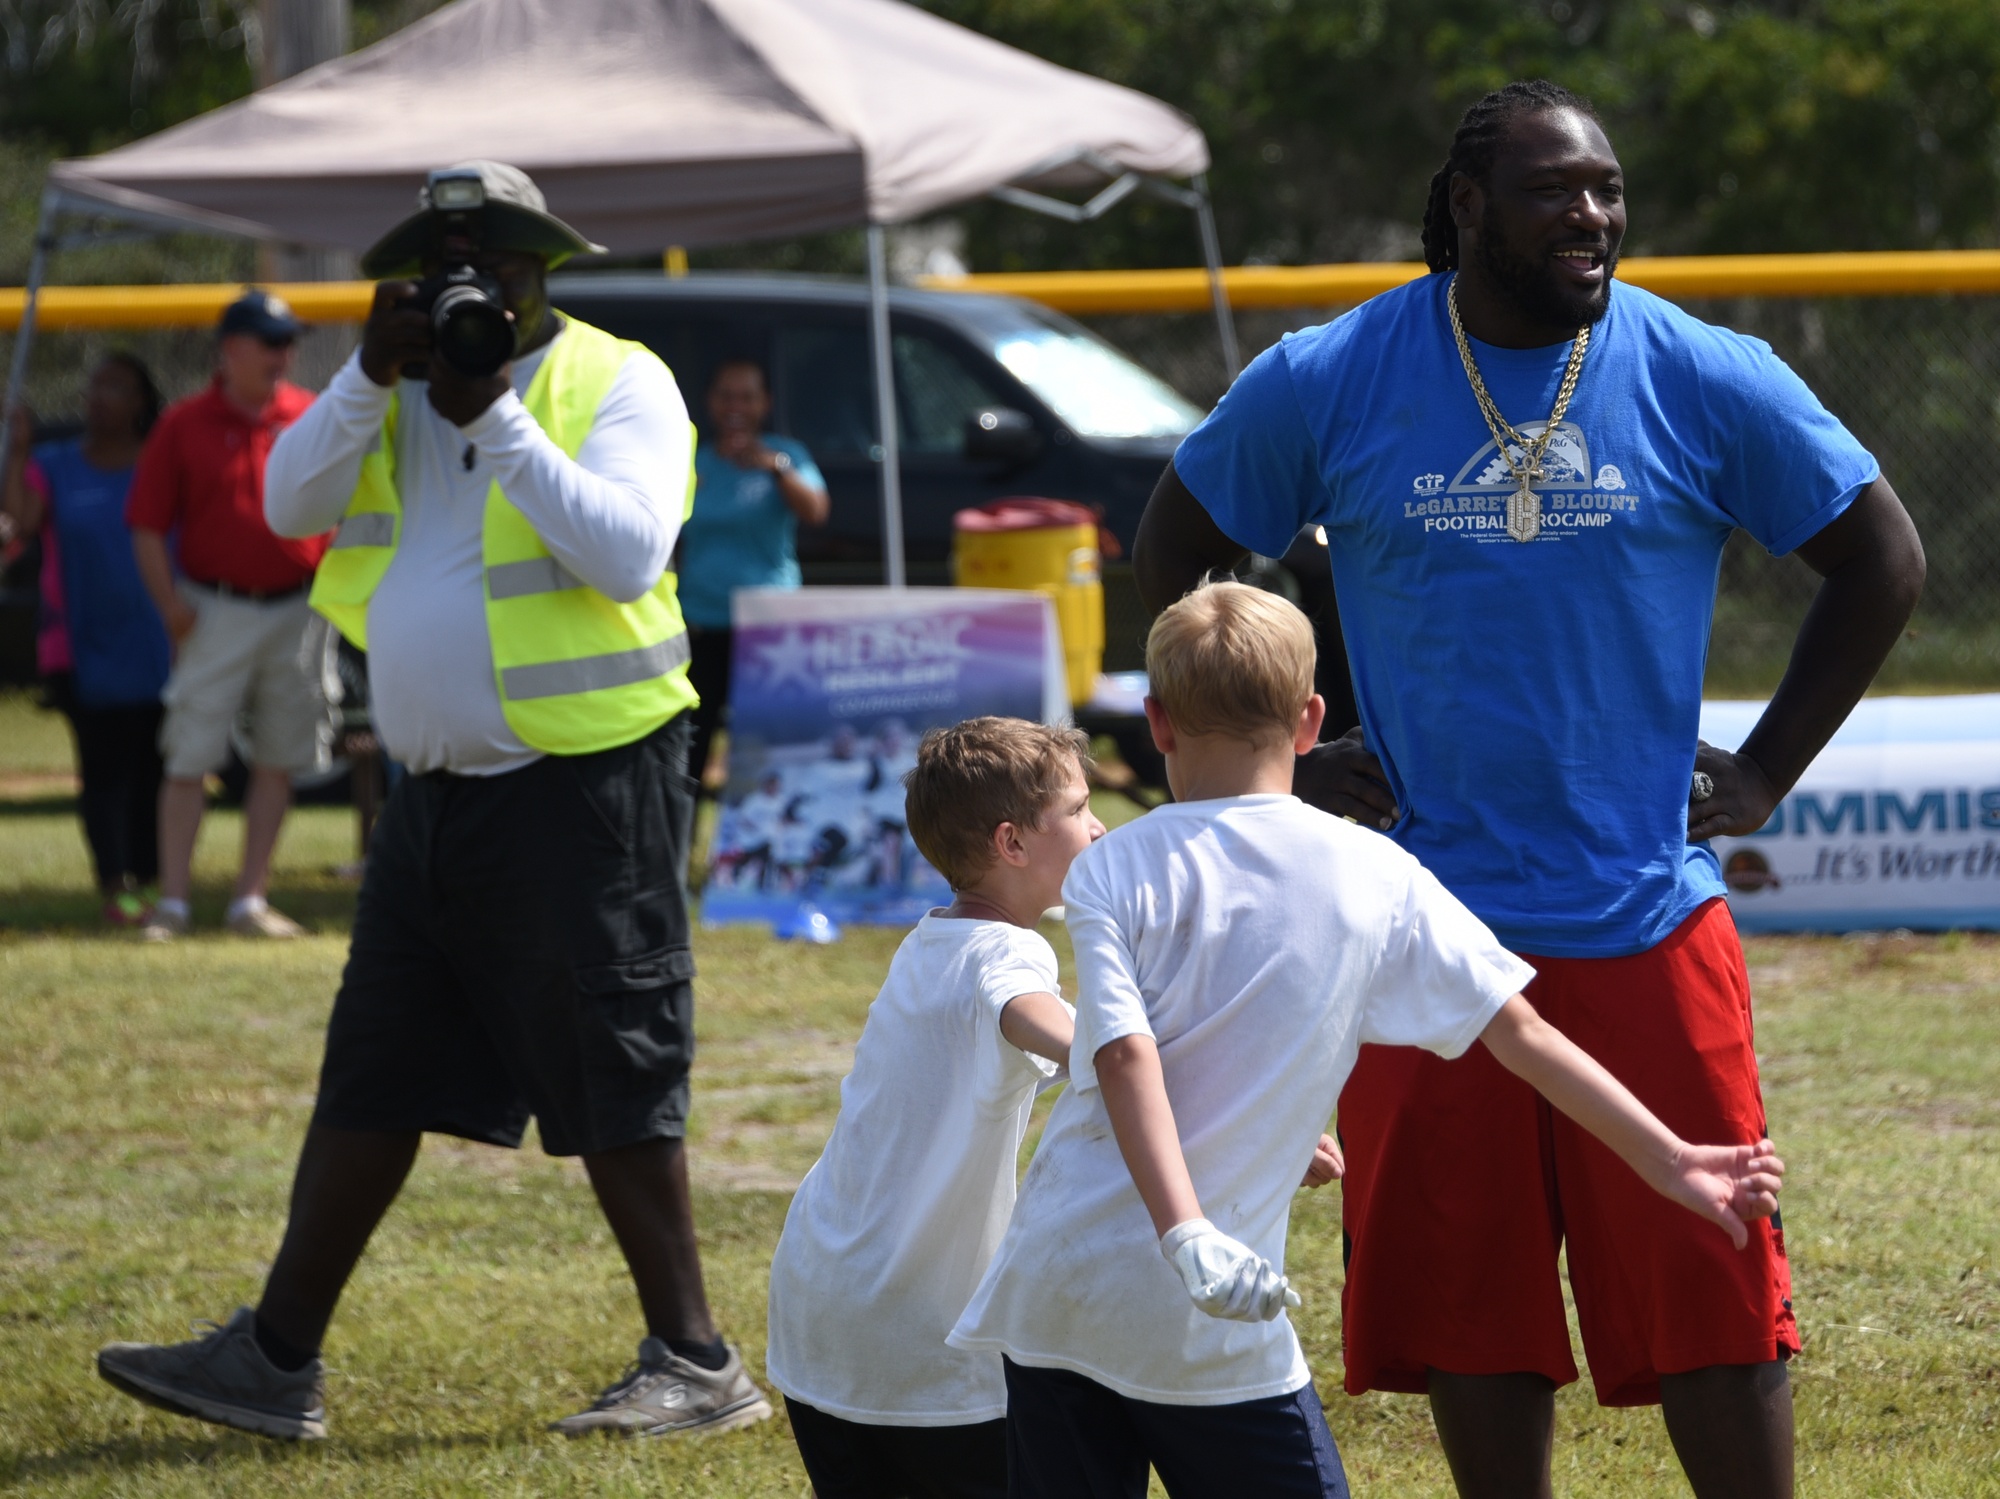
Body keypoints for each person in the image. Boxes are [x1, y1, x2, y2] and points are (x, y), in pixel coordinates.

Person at [1130, 81, 1924, 1499]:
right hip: (1410, 922)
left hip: (1646, 917)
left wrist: (1766, 768)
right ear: (1469, 207)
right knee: (1469, 1312)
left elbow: (1883, 554)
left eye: (1610, 190)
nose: (1596, 217)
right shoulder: (1334, 373)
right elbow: (1173, 548)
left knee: (1717, 1296)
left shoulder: (1696, 368)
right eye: (1560, 191)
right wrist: (1289, 765)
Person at [95, 161, 768, 1440]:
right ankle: (275, 1356)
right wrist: (363, 377)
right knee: (378, 1066)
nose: (476, 294)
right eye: (447, 272)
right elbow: (288, 502)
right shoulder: (386, 394)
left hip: (584, 785)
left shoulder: (616, 379)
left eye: (500, 271)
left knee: (613, 1064)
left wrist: (497, 412)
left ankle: (695, 1358)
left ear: (542, 273)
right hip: (434, 794)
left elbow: (626, 549)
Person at [947, 582, 1787, 1499]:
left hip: (1055, 1283)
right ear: (1312, 722)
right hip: (1205, 1302)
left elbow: (1123, 1051)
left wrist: (1195, 1210)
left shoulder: (1116, 861)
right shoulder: (1380, 871)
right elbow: (1522, 1031)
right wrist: (1670, 1159)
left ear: (1157, 722)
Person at [765, 716, 1100, 1499]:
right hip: (920, 1336)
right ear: (1013, 843)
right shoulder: (1008, 954)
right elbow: (1071, 1037)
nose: (1099, 824)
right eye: (1080, 808)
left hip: (822, 1301)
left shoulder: (929, 939)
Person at [127, 289, 334, 941]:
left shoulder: (311, 414)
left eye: (289, 341)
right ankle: (175, 904)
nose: (285, 354)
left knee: (280, 754)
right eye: (272, 341)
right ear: (232, 349)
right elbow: (146, 523)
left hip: (299, 609)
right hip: (214, 607)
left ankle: (250, 899)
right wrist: (170, 605)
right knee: (190, 754)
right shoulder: (185, 422)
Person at [2, 356, 170, 923]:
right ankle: (114, 884)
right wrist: (18, 449)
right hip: (78, 649)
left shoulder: (161, 465)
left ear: (141, 403)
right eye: (94, 384)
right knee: (105, 771)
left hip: (159, 645)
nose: (98, 396)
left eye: (115, 387)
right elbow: (20, 524)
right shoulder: (52, 465)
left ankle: (153, 881)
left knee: (155, 769)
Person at [679, 359, 829, 791]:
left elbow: (816, 511)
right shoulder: (695, 461)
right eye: (726, 395)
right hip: (703, 625)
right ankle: (687, 847)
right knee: (690, 751)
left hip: (768, 632)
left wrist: (776, 467)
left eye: (746, 396)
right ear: (710, 402)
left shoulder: (786, 454)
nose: (735, 406)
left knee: (768, 752)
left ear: (764, 403)